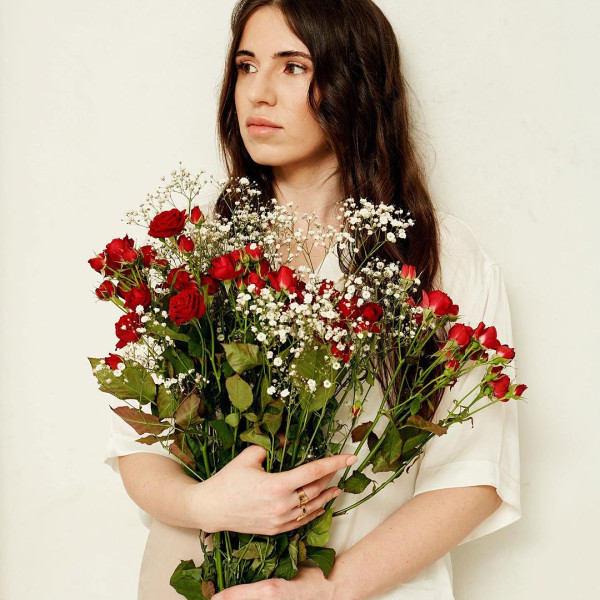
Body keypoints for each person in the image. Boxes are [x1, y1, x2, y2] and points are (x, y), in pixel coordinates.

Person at [105, 1, 521, 598]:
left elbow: (473, 477)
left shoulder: (439, 255)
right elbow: (135, 444)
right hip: (199, 580)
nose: (258, 93)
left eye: (293, 66)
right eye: (246, 66)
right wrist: (205, 502)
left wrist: (320, 590)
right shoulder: (203, 246)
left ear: (357, 83)